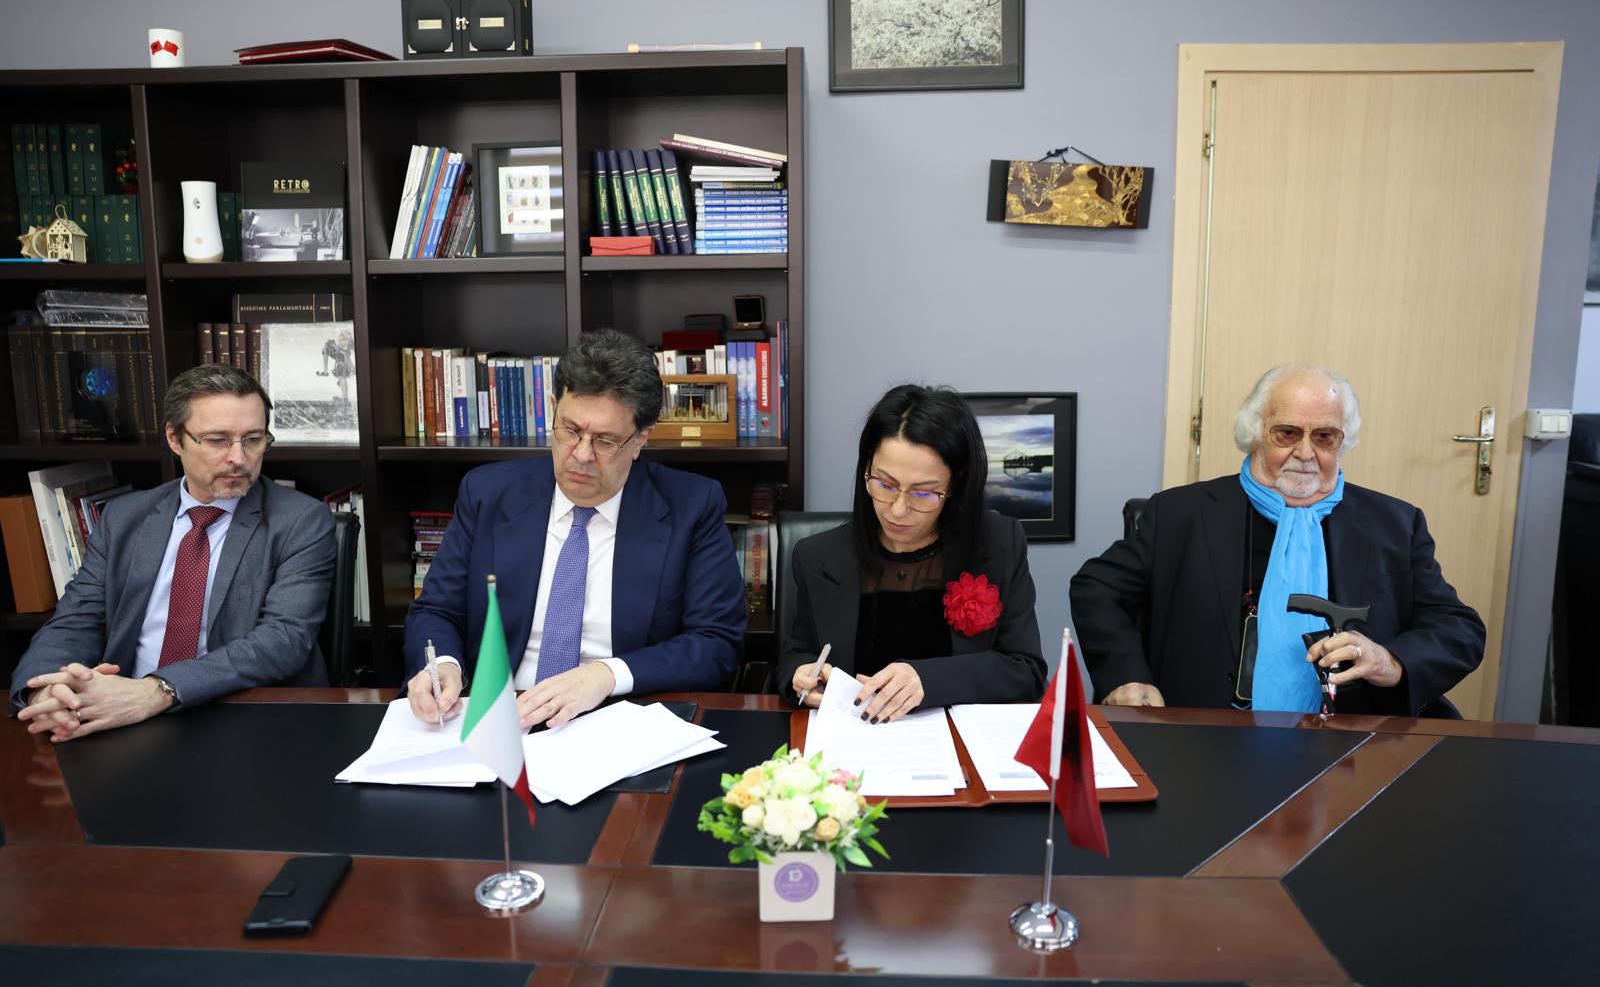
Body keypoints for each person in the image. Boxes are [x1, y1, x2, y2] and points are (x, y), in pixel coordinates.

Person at [1071, 364, 1485, 716]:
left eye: (1324, 436)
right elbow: (1097, 588)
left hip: (1354, 739)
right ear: (1255, 433)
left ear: (1343, 441)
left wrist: (1391, 661)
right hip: (1205, 734)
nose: (1305, 452)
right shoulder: (1180, 513)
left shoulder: (1394, 523)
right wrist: (1126, 676)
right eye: (1287, 433)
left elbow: (1458, 628)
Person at [404, 328, 746, 728]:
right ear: (553, 409)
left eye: (605, 441)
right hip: (499, 720)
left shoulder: (691, 506)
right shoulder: (488, 494)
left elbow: (716, 643)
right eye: (570, 431)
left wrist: (607, 674)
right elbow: (437, 610)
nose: (581, 455)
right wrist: (444, 664)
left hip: (619, 719)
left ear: (640, 439)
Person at [10, 364, 336, 740]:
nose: (238, 457)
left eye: (253, 439)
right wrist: (46, 691)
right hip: (118, 714)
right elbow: (77, 620)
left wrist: (156, 691)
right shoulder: (124, 517)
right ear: (175, 438)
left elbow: (283, 640)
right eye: (217, 440)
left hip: (241, 718)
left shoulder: (300, 520)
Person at [779, 385, 1047, 723]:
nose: (898, 510)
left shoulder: (999, 544)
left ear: (955, 485)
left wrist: (928, 680)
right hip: (853, 740)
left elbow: (1025, 670)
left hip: (957, 740)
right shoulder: (817, 556)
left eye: (922, 493)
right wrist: (799, 674)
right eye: (885, 484)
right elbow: (795, 654)